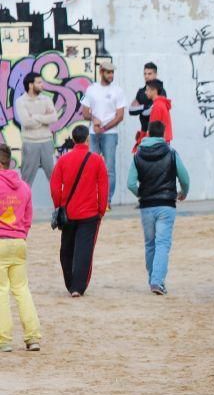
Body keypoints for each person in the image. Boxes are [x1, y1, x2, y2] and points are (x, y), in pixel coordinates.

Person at [126, 121, 189, 295]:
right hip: (166, 205)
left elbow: (130, 183)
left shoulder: (138, 155)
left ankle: (152, 280)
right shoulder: (171, 153)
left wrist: (141, 193)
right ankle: (157, 281)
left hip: (146, 206)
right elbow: (185, 178)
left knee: (150, 244)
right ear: (163, 134)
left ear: (148, 134)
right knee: (162, 244)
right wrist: (183, 193)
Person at [50, 125, 108, 297]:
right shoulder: (97, 160)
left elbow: (54, 187)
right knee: (84, 250)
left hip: (69, 213)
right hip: (90, 214)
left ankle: (70, 283)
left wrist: (59, 205)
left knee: (66, 250)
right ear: (87, 140)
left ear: (74, 140)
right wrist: (101, 209)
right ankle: (78, 287)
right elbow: (103, 186)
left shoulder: (63, 160)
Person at [0, 143, 40, 353]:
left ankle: (4, 339)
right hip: (18, 242)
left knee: (1, 291)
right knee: (22, 290)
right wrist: (21, 235)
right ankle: (32, 337)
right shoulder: (23, 186)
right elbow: (27, 218)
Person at [80, 63, 126, 203]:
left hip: (110, 134)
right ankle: (93, 199)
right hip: (93, 134)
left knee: (109, 168)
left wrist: (104, 128)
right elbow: (85, 113)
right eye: (108, 72)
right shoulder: (92, 89)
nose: (111, 75)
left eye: (112, 72)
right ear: (101, 72)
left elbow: (120, 116)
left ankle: (107, 201)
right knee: (92, 168)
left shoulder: (118, 91)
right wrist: (94, 120)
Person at [14, 73, 57, 187]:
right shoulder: (21, 101)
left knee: (54, 177)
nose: (42, 85)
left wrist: (36, 117)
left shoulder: (46, 99)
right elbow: (26, 122)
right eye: (39, 83)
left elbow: (54, 117)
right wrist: (44, 119)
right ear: (30, 85)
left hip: (47, 142)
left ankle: (60, 205)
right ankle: (24, 205)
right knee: (26, 179)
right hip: (30, 143)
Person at [128, 62, 165, 137]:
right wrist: (145, 107)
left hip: (158, 135)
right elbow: (131, 110)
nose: (146, 76)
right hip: (144, 132)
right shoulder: (141, 91)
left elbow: (149, 112)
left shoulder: (161, 91)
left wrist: (141, 109)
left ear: (155, 74)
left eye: (149, 74)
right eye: (145, 74)